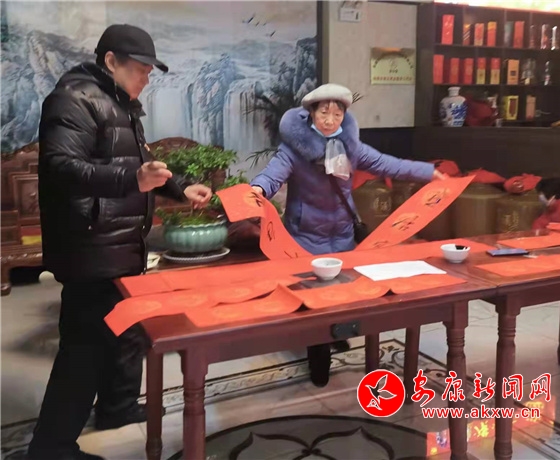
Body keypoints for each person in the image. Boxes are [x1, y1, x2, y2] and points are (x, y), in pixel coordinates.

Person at [28, 24, 212, 460]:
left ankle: (117, 407)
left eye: (149, 71)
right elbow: (61, 168)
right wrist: (130, 179)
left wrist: (178, 188)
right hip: (91, 246)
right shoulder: (72, 99)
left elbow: (140, 164)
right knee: (84, 348)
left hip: (121, 243)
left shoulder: (119, 102)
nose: (146, 78)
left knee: (127, 332)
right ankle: (51, 448)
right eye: (140, 69)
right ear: (110, 61)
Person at [250, 83, 447, 387]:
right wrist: (258, 189)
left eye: (337, 113)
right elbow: (272, 175)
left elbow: (388, 164)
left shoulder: (351, 147)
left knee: (342, 291)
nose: (330, 120)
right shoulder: (293, 150)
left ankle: (336, 332)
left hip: (341, 231)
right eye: (324, 113)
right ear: (311, 113)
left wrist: (427, 172)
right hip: (306, 232)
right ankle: (318, 356)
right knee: (314, 297)